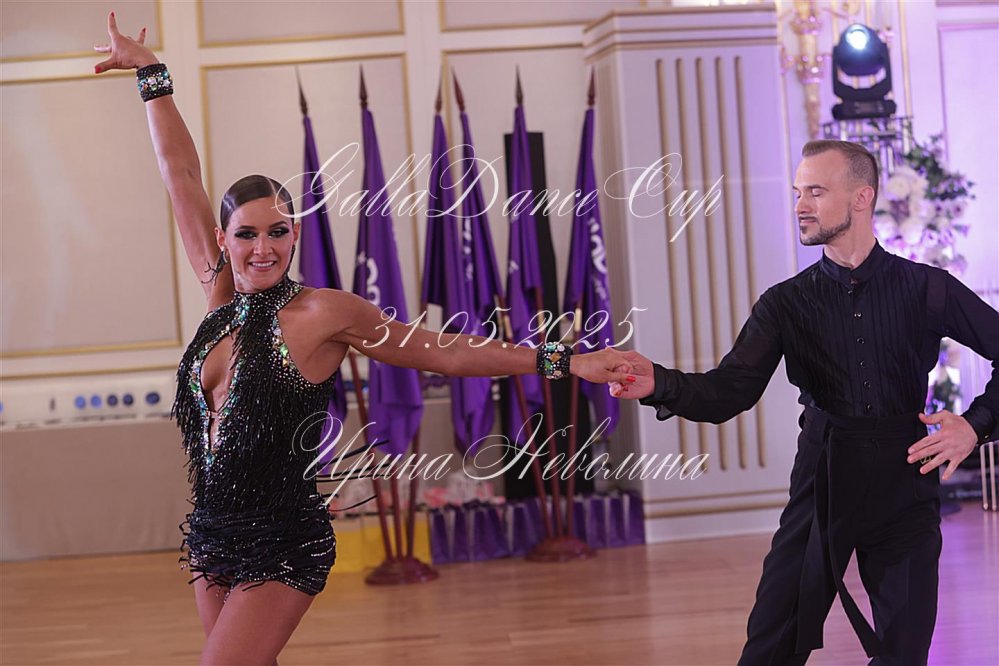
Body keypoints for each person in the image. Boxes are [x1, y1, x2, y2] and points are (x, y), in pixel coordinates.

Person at [93, 12, 636, 665]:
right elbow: (179, 174)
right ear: (222, 239)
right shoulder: (219, 297)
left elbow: (446, 351)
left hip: (282, 537)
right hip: (213, 536)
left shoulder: (325, 313)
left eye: (278, 232)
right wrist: (151, 74)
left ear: (295, 234)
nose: (263, 248)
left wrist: (564, 359)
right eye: (247, 234)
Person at [611, 139, 998, 665]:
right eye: (797, 192)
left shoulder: (929, 289)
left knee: (905, 654)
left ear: (861, 197)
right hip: (823, 480)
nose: (800, 205)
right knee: (771, 645)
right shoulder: (785, 303)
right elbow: (730, 390)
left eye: (815, 191)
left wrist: (975, 426)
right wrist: (658, 382)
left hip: (905, 483)